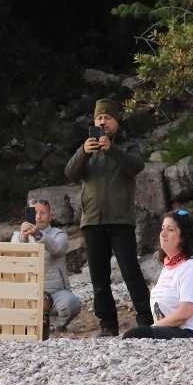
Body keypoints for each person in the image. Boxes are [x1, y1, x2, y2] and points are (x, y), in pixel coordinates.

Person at [64, 98, 153, 337]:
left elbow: (136, 166)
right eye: (99, 118)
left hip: (120, 220)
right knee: (98, 277)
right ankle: (107, 325)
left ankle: (145, 320)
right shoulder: (86, 148)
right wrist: (84, 152)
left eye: (107, 118)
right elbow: (70, 173)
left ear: (116, 122)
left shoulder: (127, 146)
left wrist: (110, 148)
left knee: (130, 272)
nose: (103, 122)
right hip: (92, 221)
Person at [122, 210, 193, 340]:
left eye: (170, 230)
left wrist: (152, 328)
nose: (163, 234)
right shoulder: (168, 267)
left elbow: (185, 313)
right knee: (136, 335)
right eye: (162, 228)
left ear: (183, 237)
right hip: (171, 331)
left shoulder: (192, 267)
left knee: (134, 336)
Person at [10, 196, 81, 331]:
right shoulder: (18, 236)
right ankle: (33, 325)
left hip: (56, 292)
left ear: (51, 216)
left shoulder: (60, 234)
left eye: (43, 213)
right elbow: (13, 255)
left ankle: (59, 326)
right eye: (35, 213)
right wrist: (23, 237)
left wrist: (38, 235)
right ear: (28, 215)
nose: (38, 216)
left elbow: (57, 249)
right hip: (28, 292)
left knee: (72, 304)